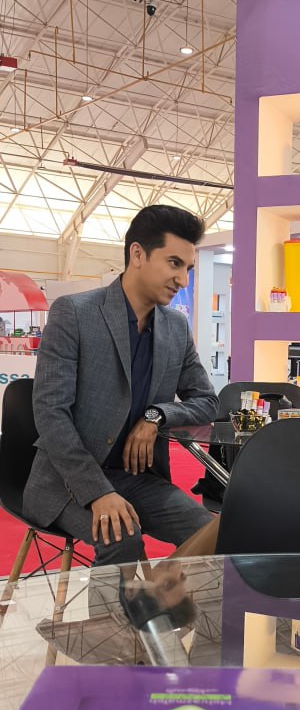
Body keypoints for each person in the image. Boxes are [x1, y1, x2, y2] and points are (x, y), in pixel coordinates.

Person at [24, 205, 219, 565]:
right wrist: (97, 492)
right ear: (138, 254)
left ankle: (162, 601)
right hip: (66, 482)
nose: (183, 280)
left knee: (212, 534)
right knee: (121, 538)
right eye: (174, 263)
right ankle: (130, 605)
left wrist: (156, 415)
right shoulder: (74, 313)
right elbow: (51, 414)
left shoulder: (176, 327)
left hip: (138, 478)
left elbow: (207, 402)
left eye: (188, 269)